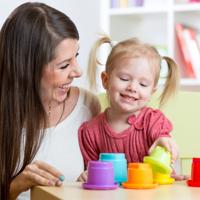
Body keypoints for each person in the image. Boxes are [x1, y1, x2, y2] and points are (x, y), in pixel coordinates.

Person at [0, 2, 100, 200]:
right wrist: (15, 187)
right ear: (27, 70)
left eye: (76, 57)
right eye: (64, 66)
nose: (78, 71)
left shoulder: (88, 106)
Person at [78, 36, 187, 181]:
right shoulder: (91, 132)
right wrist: (87, 176)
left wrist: (165, 142)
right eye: (124, 79)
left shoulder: (153, 121)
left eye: (143, 84)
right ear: (105, 80)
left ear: (151, 92)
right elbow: (91, 175)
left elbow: (162, 137)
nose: (132, 88)